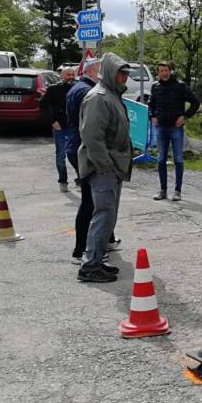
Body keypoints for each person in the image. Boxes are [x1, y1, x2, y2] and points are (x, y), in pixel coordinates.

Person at [76, 53, 133, 283]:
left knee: (108, 216)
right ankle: (90, 266)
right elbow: (92, 137)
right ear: (110, 72)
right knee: (102, 215)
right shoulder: (99, 97)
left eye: (126, 73)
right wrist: (105, 166)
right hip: (103, 168)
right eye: (121, 73)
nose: (124, 77)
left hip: (111, 166)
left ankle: (96, 260)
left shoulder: (111, 95)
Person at [66, 58, 118, 265]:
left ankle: (107, 240)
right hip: (85, 151)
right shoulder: (89, 93)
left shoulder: (80, 88)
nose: (103, 75)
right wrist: (103, 161)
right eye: (100, 70)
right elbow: (91, 129)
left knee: (100, 200)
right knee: (91, 202)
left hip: (78, 147)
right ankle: (81, 250)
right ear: (91, 71)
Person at [148, 61, 200, 201]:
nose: (164, 73)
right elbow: (151, 104)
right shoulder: (155, 86)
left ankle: (177, 191)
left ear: (170, 71)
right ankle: (162, 190)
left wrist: (185, 116)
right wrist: (152, 116)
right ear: (158, 72)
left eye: (166, 70)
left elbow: (195, 103)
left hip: (176, 128)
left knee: (178, 159)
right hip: (160, 127)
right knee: (161, 159)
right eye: (161, 71)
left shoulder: (180, 86)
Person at [39, 66, 76, 191]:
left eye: (73, 75)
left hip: (75, 127)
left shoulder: (78, 88)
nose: (71, 77)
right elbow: (43, 105)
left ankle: (81, 179)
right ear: (61, 76)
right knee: (61, 155)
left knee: (77, 154)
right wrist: (52, 121)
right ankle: (63, 181)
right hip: (60, 127)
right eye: (68, 75)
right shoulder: (53, 89)